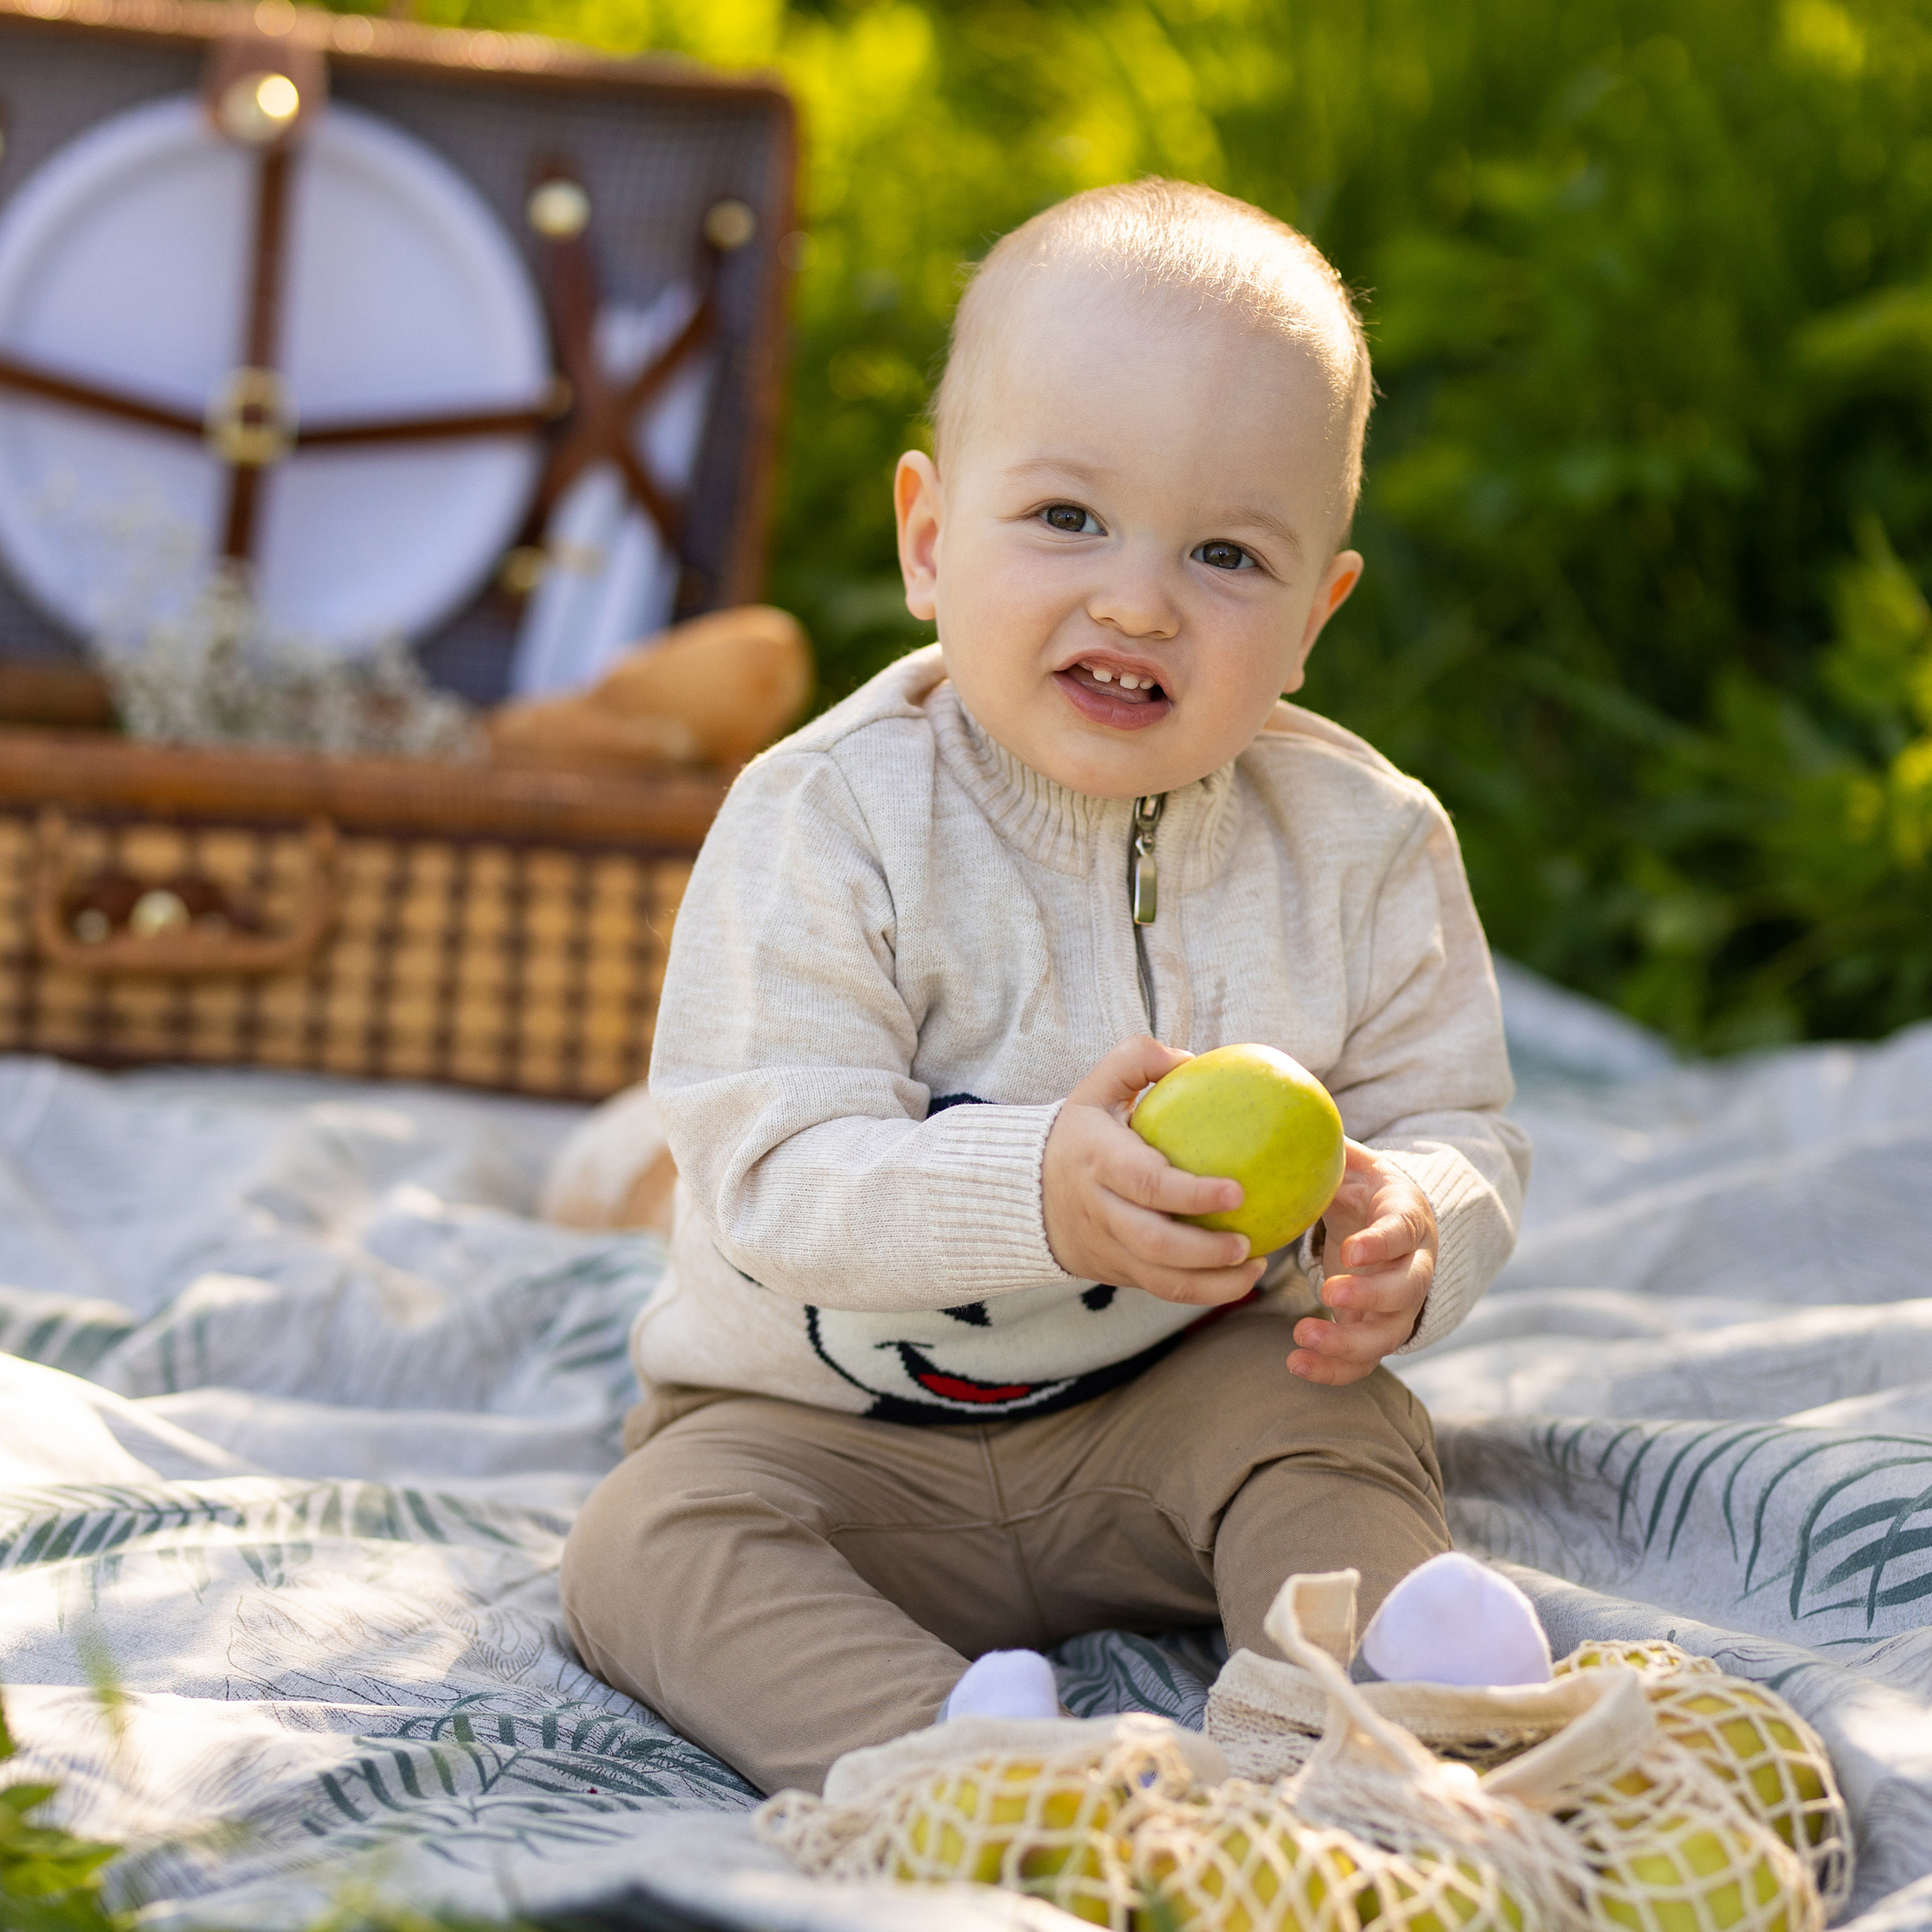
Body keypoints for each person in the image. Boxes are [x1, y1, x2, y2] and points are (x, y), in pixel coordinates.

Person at [560, 177, 1533, 1797]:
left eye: (1225, 552)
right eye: (1067, 518)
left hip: (1173, 1407)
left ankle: (1374, 1696)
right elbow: (771, 1171)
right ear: (928, 537)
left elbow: (1458, 1115)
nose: (1137, 598)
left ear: (1313, 616)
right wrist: (1036, 1187)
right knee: (644, 1544)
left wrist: (1414, 1218)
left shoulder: (1362, 845)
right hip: (827, 1434)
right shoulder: (826, 818)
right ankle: (960, 1752)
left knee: (1341, 1432)